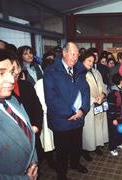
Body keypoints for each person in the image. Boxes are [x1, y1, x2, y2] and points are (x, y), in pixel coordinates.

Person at [43, 42, 90, 180]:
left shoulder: (80, 70)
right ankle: (61, 175)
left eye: (77, 55)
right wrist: (70, 113)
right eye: (72, 54)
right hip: (62, 120)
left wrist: (82, 110)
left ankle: (75, 164)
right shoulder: (51, 71)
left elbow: (86, 91)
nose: (75, 58)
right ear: (64, 53)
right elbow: (51, 98)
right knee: (62, 151)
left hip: (78, 118)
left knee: (77, 145)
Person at [0, 48, 38, 179]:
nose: (11, 80)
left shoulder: (12, 99)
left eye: (11, 72)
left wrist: (33, 163)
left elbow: (28, 136)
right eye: (1, 73)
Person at [81, 50, 109, 160]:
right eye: (89, 61)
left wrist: (102, 96)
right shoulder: (79, 73)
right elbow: (80, 92)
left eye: (92, 61)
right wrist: (93, 99)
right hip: (89, 105)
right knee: (88, 128)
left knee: (98, 126)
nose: (91, 63)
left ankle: (97, 145)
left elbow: (103, 85)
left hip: (99, 102)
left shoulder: (96, 72)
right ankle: (86, 150)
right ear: (83, 60)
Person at [107, 73, 122, 156]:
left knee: (119, 132)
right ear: (120, 81)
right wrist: (113, 119)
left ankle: (119, 143)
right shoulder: (113, 92)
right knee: (113, 133)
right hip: (114, 117)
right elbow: (111, 107)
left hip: (121, 116)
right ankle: (112, 148)